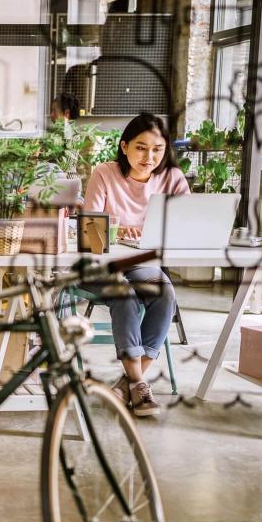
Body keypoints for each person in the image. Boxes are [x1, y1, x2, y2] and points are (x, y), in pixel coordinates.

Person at [82, 112, 191, 417]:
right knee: (123, 293)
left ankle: (129, 382)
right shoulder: (104, 173)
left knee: (164, 293)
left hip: (144, 262)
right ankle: (140, 385)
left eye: (157, 149)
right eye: (141, 147)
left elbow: (187, 223)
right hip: (101, 265)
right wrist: (116, 228)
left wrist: (152, 235)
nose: (149, 156)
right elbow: (90, 232)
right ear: (125, 146)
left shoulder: (172, 179)